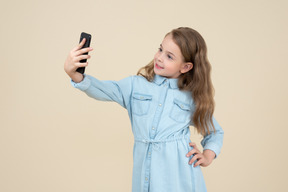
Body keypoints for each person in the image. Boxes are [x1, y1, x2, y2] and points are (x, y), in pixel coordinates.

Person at [64, 27, 224, 192]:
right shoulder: (135, 85)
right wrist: (75, 74)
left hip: (180, 178)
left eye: (169, 56)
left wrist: (207, 156)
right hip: (145, 175)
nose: (160, 58)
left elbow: (215, 132)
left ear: (185, 67)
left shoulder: (191, 98)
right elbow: (104, 89)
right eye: (160, 49)